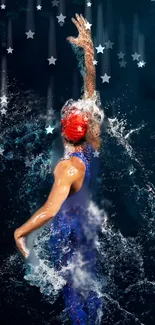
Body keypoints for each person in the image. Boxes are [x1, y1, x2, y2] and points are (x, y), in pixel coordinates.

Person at [14, 14, 104, 325]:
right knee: (87, 280)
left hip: (68, 229)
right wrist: (87, 47)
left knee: (69, 288)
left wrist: (20, 232)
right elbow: (90, 87)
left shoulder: (67, 168)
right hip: (85, 221)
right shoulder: (91, 140)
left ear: (65, 133)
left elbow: (51, 210)